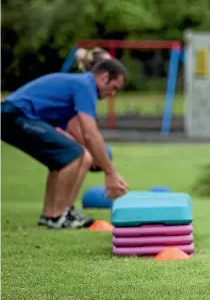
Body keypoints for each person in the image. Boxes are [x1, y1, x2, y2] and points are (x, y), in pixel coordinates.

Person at [1, 59, 129, 229]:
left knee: (78, 156)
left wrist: (102, 163)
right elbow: (90, 133)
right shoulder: (85, 85)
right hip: (14, 116)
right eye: (114, 88)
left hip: (15, 117)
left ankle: (53, 214)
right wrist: (110, 173)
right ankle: (57, 217)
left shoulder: (78, 86)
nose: (113, 94)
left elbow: (79, 135)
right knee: (73, 155)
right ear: (104, 77)